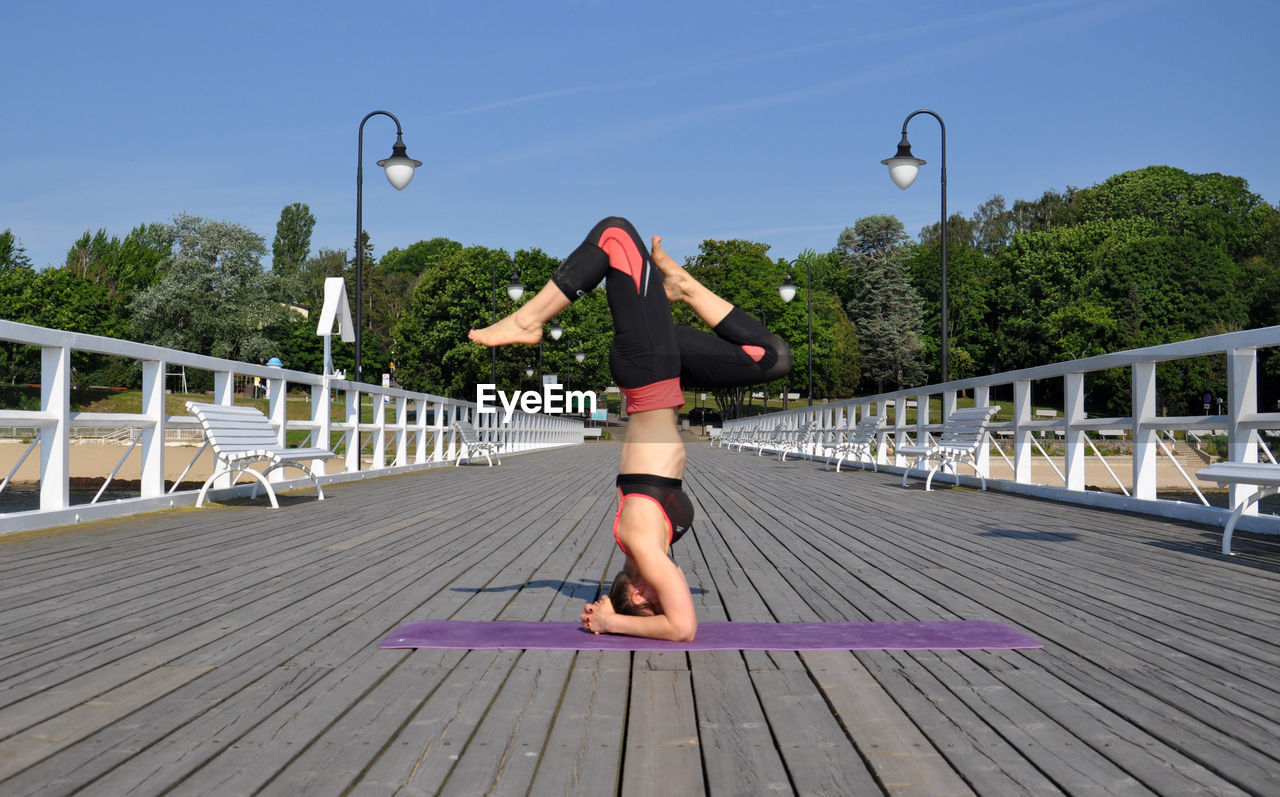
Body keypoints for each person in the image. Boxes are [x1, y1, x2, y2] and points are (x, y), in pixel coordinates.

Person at [469, 217, 790, 640]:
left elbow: (683, 628)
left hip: (647, 369)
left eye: (655, 599)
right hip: (666, 373)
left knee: (615, 235)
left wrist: (610, 621)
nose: (669, 589)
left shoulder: (639, 543)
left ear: (639, 595)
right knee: (771, 358)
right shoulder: (649, 549)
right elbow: (670, 616)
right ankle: (683, 287)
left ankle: (528, 320)